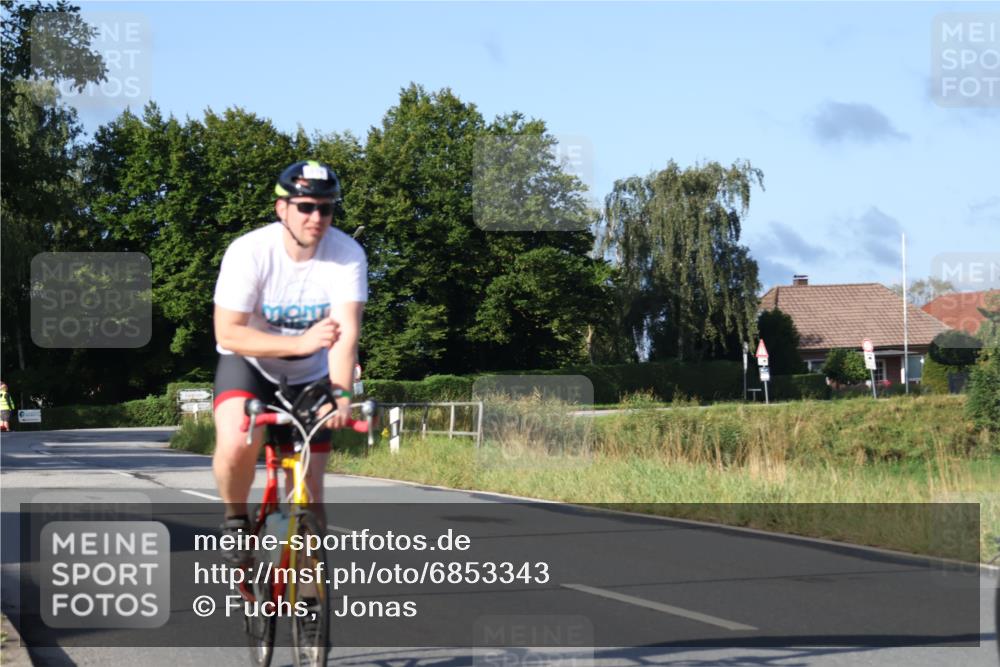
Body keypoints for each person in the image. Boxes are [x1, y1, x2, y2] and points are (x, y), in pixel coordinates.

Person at [212, 160, 367, 567]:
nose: (316, 217)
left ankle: (311, 605)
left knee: (309, 491)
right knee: (234, 445)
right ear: (282, 209)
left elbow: (346, 332)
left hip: (311, 375)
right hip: (250, 366)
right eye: (305, 207)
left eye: (326, 208)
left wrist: (340, 393)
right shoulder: (249, 252)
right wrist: (298, 341)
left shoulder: (347, 254)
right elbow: (227, 333)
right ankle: (235, 520)